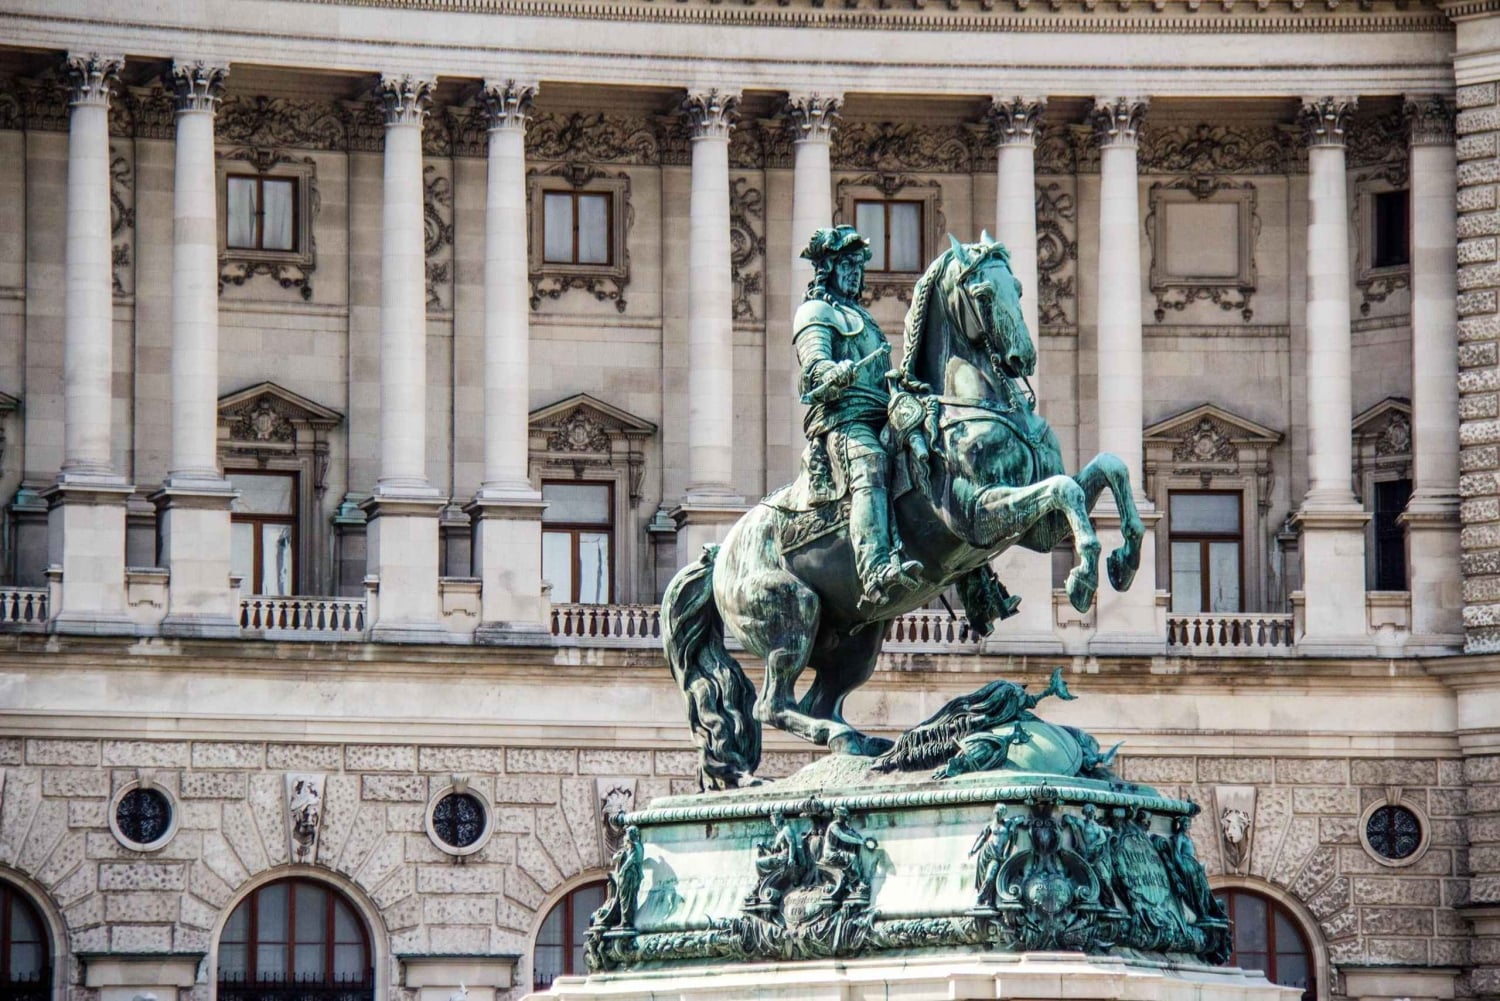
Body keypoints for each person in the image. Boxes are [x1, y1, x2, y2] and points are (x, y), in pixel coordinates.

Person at [794, 225, 924, 611]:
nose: (855, 273)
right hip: (844, 420)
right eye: (847, 264)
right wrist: (830, 373)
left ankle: (980, 587)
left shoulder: (863, 319)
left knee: (936, 454)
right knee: (870, 462)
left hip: (881, 415)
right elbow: (814, 364)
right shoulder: (816, 312)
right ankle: (876, 571)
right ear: (829, 268)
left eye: (858, 265)